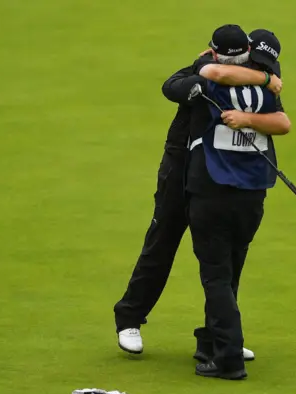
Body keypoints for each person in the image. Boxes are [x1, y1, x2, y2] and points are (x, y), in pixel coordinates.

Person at [113, 26, 285, 360]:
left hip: (220, 175)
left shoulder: (258, 71)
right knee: (163, 240)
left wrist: (259, 83)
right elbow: (178, 84)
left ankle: (221, 336)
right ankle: (129, 318)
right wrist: (259, 81)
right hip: (182, 164)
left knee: (228, 257)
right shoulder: (203, 69)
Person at [162, 24, 289, 379]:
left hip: (211, 189)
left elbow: (202, 74)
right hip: (253, 193)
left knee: (215, 276)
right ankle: (214, 342)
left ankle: (228, 357)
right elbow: (283, 122)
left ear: (215, 51)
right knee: (230, 271)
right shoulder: (266, 85)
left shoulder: (210, 81)